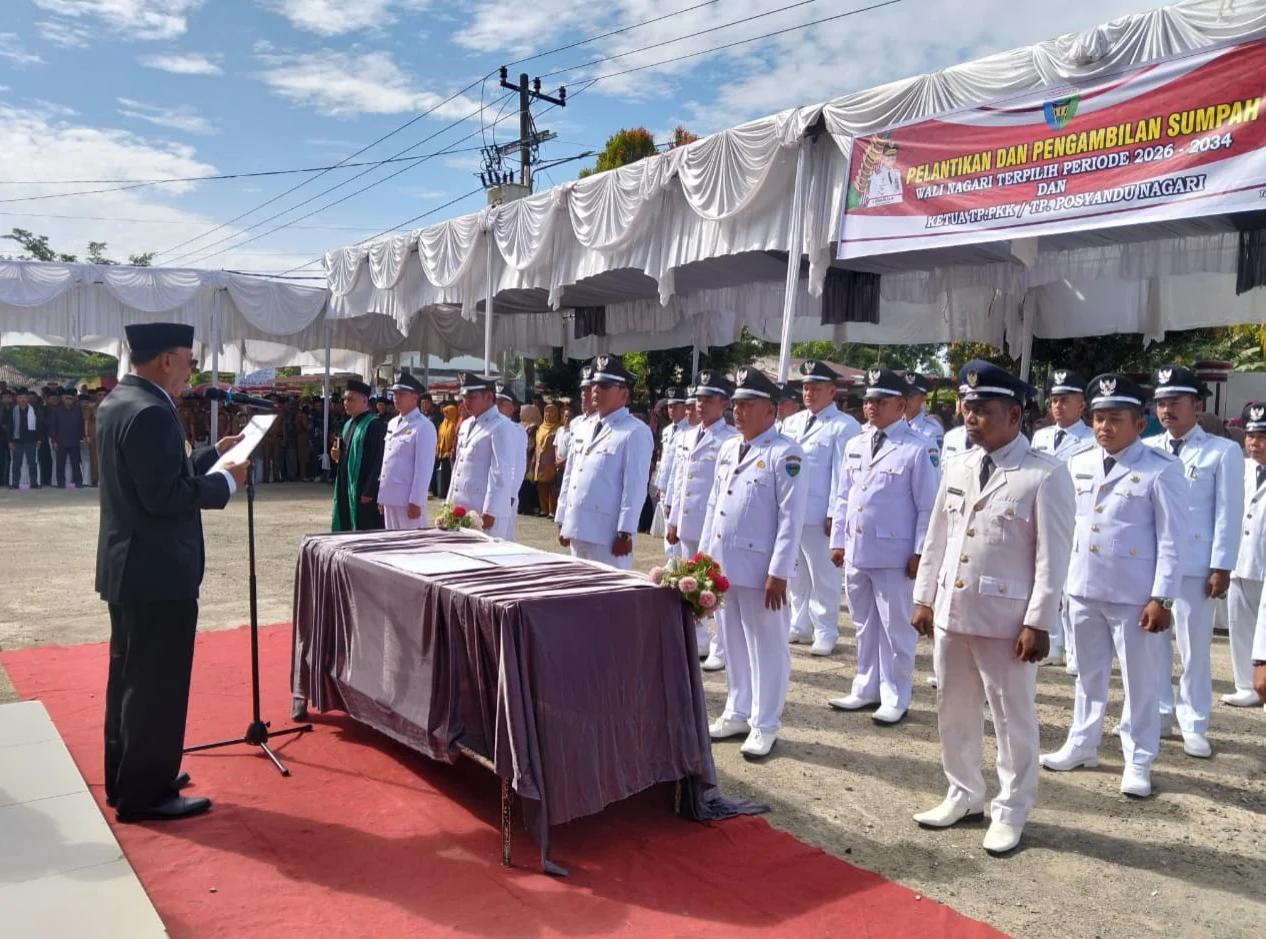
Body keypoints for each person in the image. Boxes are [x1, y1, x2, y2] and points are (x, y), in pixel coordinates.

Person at [911, 360, 1075, 855]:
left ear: (1014, 414)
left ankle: (1012, 807)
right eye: (967, 407)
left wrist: (1039, 622)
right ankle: (963, 792)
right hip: (953, 610)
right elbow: (937, 535)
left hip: (1007, 622)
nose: (970, 416)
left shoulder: (1044, 475)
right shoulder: (958, 464)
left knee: (1011, 716)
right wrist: (924, 597)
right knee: (953, 708)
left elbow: (1053, 556)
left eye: (982, 409)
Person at [96, 322, 250, 823]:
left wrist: (210, 456)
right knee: (156, 686)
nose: (192, 369)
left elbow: (159, 473)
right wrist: (224, 481)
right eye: (189, 358)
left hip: (132, 567)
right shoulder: (151, 412)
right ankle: (147, 794)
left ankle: (132, 777)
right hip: (158, 572)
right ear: (166, 359)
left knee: (130, 680)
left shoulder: (122, 402)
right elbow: (165, 495)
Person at [1041, 373, 1186, 798]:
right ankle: (1082, 743)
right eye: (1099, 418)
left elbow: (1172, 540)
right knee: (1087, 675)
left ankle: (1138, 758)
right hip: (1084, 586)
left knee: (1140, 681)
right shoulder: (1079, 462)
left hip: (1134, 595)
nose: (1105, 427)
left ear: (1140, 425)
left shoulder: (1161, 471)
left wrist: (1162, 597)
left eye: (1115, 419)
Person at [700, 366, 807, 758]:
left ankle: (765, 723)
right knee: (732, 642)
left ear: (772, 410)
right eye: (737, 404)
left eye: (749, 405)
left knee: (767, 646)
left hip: (763, 571)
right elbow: (716, 506)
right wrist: (706, 562)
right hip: (726, 567)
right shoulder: (729, 447)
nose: (739, 412)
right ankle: (737, 710)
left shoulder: (786, 453)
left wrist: (779, 571)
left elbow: (790, 518)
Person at [828, 367, 940, 725]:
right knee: (864, 624)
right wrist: (838, 540)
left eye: (881, 400)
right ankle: (866, 686)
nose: (872, 406)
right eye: (869, 399)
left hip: (895, 556)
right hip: (859, 551)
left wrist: (921, 552)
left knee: (897, 629)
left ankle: (896, 695)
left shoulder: (918, 448)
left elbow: (928, 506)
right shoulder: (856, 443)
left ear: (902, 404)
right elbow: (844, 496)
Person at [1141, 365, 1243, 758]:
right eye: (1162, 403)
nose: (1167, 410)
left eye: (1175, 402)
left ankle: (1195, 722)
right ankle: (1161, 714)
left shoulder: (1223, 450)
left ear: (1197, 405)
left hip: (1198, 564)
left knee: (1194, 649)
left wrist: (1222, 566)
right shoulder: (1149, 449)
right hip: (1155, 565)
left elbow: (1227, 512)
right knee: (1154, 645)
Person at [782, 360, 862, 656]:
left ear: (832, 391)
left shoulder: (844, 426)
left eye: (816, 388)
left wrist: (834, 514)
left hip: (820, 514)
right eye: (805, 387)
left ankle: (825, 629)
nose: (809, 393)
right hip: (792, 511)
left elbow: (843, 475)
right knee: (795, 573)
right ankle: (799, 623)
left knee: (824, 575)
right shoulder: (792, 422)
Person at [666, 370, 740, 667]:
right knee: (689, 583)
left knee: (717, 585)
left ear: (724, 404)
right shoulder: (686, 435)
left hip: (715, 523)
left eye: (708, 399)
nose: (701, 404)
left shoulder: (730, 439)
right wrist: (672, 517)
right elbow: (678, 478)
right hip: (687, 521)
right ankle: (697, 639)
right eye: (698, 398)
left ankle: (721, 648)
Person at [555, 355, 654, 570]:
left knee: (608, 599)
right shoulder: (582, 426)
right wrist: (563, 517)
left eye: (605, 386)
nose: (596, 391)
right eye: (594, 385)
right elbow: (571, 475)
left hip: (607, 534)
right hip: (578, 526)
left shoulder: (634, 431)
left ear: (624, 394)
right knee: (576, 593)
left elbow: (635, 487)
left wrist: (626, 532)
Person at [1027, 369, 1094, 669]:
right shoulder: (1040, 436)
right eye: (1054, 399)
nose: (1057, 405)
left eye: (1065, 399)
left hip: (1077, 516)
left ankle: (1074, 650)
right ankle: (1053, 642)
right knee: (1048, 578)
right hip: (1043, 514)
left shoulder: (1092, 438)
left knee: (1073, 586)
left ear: (1082, 405)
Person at [1226, 401, 1266, 707]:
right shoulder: (1239, 467)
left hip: (1263, 561)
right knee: (1239, 624)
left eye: (1262, 436)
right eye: (1251, 435)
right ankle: (1245, 685)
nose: (1254, 442)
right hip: (1240, 559)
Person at [449, 373, 519, 539]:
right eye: (464, 397)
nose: (467, 402)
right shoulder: (466, 425)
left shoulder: (501, 425)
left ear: (488, 396)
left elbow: (500, 473)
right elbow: (458, 468)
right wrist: (449, 502)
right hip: (461, 508)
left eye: (472, 397)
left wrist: (491, 511)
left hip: (483, 512)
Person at [377, 373, 437, 531]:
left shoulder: (424, 426)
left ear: (415, 397)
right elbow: (387, 460)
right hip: (391, 496)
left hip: (408, 500)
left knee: (412, 547)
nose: (396, 398)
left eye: (401, 394)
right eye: (395, 393)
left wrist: (416, 501)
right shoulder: (392, 423)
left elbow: (424, 467)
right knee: (392, 546)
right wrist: (382, 495)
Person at [330, 379, 387, 532]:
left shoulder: (375, 426)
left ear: (364, 400)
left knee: (365, 528)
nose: (346, 403)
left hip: (363, 490)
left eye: (351, 399)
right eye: (345, 399)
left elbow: (379, 461)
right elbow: (343, 456)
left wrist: (370, 489)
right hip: (347, 486)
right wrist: (336, 455)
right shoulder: (348, 424)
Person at [655, 386, 691, 559]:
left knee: (675, 527)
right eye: (669, 406)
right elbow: (665, 460)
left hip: (676, 487)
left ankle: (675, 562)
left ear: (685, 407)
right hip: (665, 485)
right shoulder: (668, 430)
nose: (671, 410)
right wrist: (659, 484)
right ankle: (670, 561)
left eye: (676, 406)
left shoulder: (689, 431)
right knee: (666, 528)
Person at [496, 384, 530, 537]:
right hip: (488, 490)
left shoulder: (517, 431)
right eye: (495, 403)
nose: (497, 407)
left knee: (505, 535)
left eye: (501, 404)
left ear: (512, 408)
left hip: (506, 492)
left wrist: (511, 494)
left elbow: (519, 465)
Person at [49, 386, 87, 488]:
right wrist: (54, 440)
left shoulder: (77, 410)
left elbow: (81, 424)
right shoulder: (57, 410)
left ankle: (78, 482)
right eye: (66, 398)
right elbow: (53, 426)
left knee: (75, 462)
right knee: (60, 463)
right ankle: (61, 483)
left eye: (70, 398)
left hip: (74, 440)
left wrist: (81, 437)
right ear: (62, 399)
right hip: (60, 440)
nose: (69, 400)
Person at [903, 372, 944, 454]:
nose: (906, 399)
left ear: (923, 398)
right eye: (903, 394)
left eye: (911, 396)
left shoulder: (933, 430)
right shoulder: (892, 424)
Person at [9, 387, 41, 488]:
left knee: (32, 463)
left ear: (27, 399)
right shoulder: (12, 411)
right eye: (20, 397)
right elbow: (9, 427)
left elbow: (39, 426)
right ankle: (15, 483)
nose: (23, 399)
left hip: (31, 440)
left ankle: (34, 483)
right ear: (16, 399)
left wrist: (39, 439)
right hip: (17, 441)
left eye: (25, 397)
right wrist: (9, 441)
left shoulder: (34, 410)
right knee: (16, 463)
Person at [534, 403, 561, 518]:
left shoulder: (558, 428)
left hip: (551, 461)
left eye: (551, 412)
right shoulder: (541, 428)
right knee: (541, 485)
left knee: (551, 487)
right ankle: (544, 509)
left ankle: (552, 510)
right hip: (540, 461)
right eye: (546, 412)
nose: (548, 414)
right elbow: (537, 446)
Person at [434, 403, 459, 498]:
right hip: (441, 453)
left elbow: (454, 439)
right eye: (444, 413)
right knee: (443, 475)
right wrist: (437, 448)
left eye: (447, 412)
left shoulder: (455, 424)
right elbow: (439, 438)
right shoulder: (443, 424)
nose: (445, 415)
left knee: (449, 475)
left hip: (450, 454)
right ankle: (442, 493)